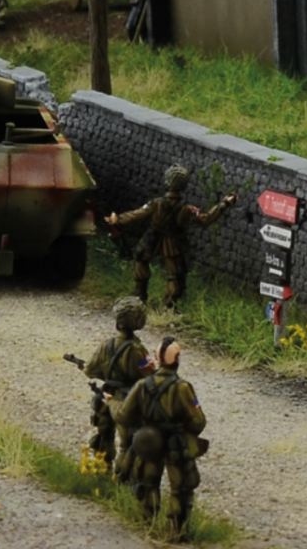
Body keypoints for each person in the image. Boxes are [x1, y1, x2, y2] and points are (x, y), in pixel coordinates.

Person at [110, 336, 207, 538]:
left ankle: (147, 524)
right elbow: (198, 422)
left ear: (157, 358)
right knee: (180, 489)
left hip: (149, 442)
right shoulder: (183, 388)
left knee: (147, 484)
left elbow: (124, 416)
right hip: (176, 445)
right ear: (177, 359)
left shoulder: (141, 386)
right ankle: (176, 531)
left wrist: (111, 402)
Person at [104, 164, 237, 307]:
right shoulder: (186, 209)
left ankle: (142, 295)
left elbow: (137, 214)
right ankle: (167, 304)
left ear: (167, 182)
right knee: (172, 274)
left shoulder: (157, 203)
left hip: (153, 238)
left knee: (143, 263)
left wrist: (118, 219)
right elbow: (206, 219)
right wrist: (224, 204)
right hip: (172, 241)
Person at [83, 296, 154, 482]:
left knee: (103, 437)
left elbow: (90, 370)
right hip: (126, 401)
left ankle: (101, 472)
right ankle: (123, 480)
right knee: (127, 444)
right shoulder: (138, 350)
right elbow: (149, 376)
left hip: (105, 396)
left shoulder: (106, 345)